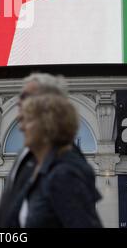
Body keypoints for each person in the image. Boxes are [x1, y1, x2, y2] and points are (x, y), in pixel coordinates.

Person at [0, 73, 88, 227]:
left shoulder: (67, 171)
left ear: (49, 117)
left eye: (25, 97)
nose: (19, 121)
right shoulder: (26, 157)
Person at [16, 93, 102, 227]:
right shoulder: (43, 171)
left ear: (48, 126)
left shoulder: (63, 176)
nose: (21, 127)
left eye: (29, 120)